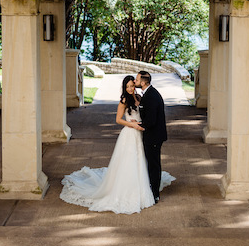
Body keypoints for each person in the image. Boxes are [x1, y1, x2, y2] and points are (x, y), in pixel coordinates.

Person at [60, 75, 174, 214]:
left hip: (141, 135)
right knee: (129, 162)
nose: (131, 88)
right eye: (128, 87)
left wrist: (143, 126)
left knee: (142, 161)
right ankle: (127, 189)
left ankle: (143, 185)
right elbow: (118, 120)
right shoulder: (124, 100)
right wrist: (132, 125)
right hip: (130, 134)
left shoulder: (139, 98)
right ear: (124, 88)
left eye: (132, 85)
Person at [136, 70, 168, 203]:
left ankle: (155, 193)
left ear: (143, 82)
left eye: (137, 80)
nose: (135, 81)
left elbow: (151, 121)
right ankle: (152, 187)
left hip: (154, 136)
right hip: (153, 135)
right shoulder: (149, 93)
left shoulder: (151, 96)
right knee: (152, 163)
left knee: (154, 165)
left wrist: (139, 125)